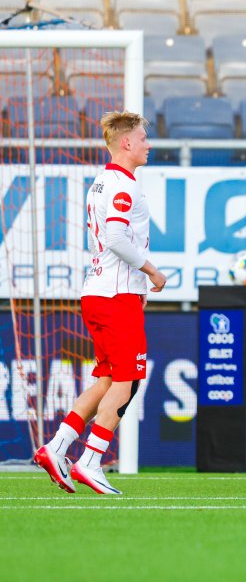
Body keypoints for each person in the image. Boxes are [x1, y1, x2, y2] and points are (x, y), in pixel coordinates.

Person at [34, 111, 167, 495]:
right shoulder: (124, 186)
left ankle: (56, 447)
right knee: (128, 381)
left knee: (107, 378)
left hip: (97, 291)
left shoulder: (101, 182)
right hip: (115, 295)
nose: (148, 145)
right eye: (143, 138)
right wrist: (152, 272)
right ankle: (91, 461)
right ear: (126, 143)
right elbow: (116, 238)